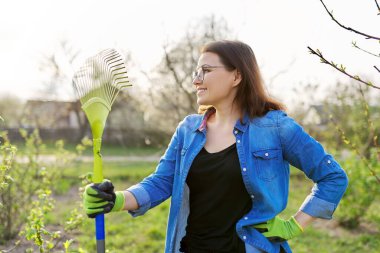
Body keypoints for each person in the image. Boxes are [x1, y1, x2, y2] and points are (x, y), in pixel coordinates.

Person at [83, 40, 349, 253]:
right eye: (196, 72)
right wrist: (115, 200)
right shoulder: (188, 130)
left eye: (206, 71)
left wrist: (295, 225)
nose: (196, 79)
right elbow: (161, 182)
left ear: (237, 76)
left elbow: (333, 177)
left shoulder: (275, 127)